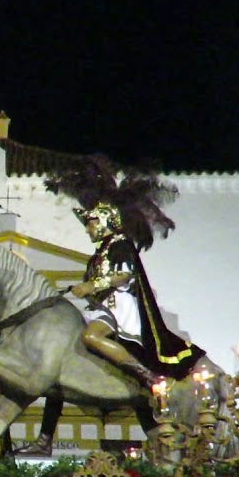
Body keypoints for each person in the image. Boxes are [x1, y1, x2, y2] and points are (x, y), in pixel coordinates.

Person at [47, 156, 203, 387]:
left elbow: (125, 275)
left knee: (91, 336)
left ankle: (144, 374)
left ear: (104, 222)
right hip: (101, 306)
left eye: (90, 223)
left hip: (118, 306)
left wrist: (92, 285)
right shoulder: (99, 253)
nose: (88, 230)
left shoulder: (120, 245)